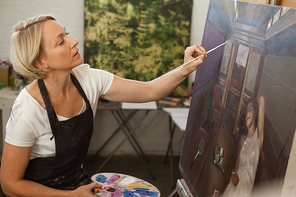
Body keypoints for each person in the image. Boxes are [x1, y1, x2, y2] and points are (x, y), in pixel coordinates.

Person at [0, 14, 207, 197]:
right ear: (41, 61)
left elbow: (150, 90)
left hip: (78, 185)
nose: (74, 41)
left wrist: (186, 67)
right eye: (61, 41)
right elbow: (10, 185)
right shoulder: (27, 110)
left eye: (67, 34)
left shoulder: (89, 79)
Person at [222, 96, 265, 197]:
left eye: (250, 110)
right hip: (234, 187)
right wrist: (233, 177)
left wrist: (255, 102)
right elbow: (236, 168)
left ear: (255, 113)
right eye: (246, 112)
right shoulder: (242, 140)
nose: (247, 115)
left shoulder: (258, 139)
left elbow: (262, 100)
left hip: (245, 191)